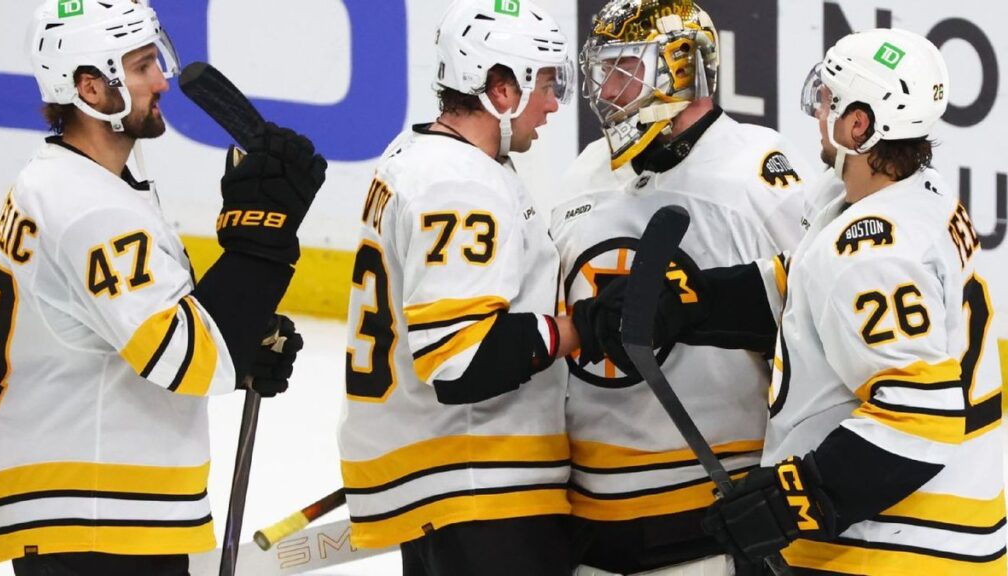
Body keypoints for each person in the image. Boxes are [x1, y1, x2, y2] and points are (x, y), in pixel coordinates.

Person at [0, 1, 325, 574]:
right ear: (91, 88)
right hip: (96, 517)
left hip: (86, 505)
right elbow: (189, 359)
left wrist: (243, 338)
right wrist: (258, 244)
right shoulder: (90, 207)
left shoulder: (77, 183)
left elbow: (123, 330)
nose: (161, 81)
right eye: (142, 66)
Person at [654, 28, 1004, 575]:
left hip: (901, 548)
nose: (818, 112)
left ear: (858, 125)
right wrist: (699, 301)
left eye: (828, 100)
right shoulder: (914, 195)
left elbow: (920, 418)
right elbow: (812, 293)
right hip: (944, 531)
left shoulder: (874, 256)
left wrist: (799, 498)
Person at [550, 1, 815, 574]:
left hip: (709, 513)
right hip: (588, 515)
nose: (609, 90)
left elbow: (818, 320)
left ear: (682, 66)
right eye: (604, 70)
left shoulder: (756, 171)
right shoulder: (584, 172)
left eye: (626, 69)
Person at [336, 0, 592, 574]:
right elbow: (461, 362)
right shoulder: (459, 182)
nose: (553, 103)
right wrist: (580, 329)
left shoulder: (417, 156)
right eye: (545, 84)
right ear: (501, 89)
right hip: (479, 487)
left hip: (446, 480)